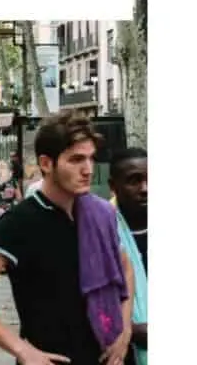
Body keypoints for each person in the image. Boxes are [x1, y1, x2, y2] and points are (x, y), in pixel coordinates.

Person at [0, 109, 135, 365]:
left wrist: (124, 331)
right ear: (46, 163)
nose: (88, 169)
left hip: (106, 354)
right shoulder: (21, 222)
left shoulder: (101, 213)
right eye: (76, 160)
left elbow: (125, 268)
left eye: (91, 159)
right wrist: (22, 350)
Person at [109, 149, 148, 365]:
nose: (145, 189)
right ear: (113, 186)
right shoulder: (101, 236)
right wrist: (129, 331)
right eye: (134, 181)